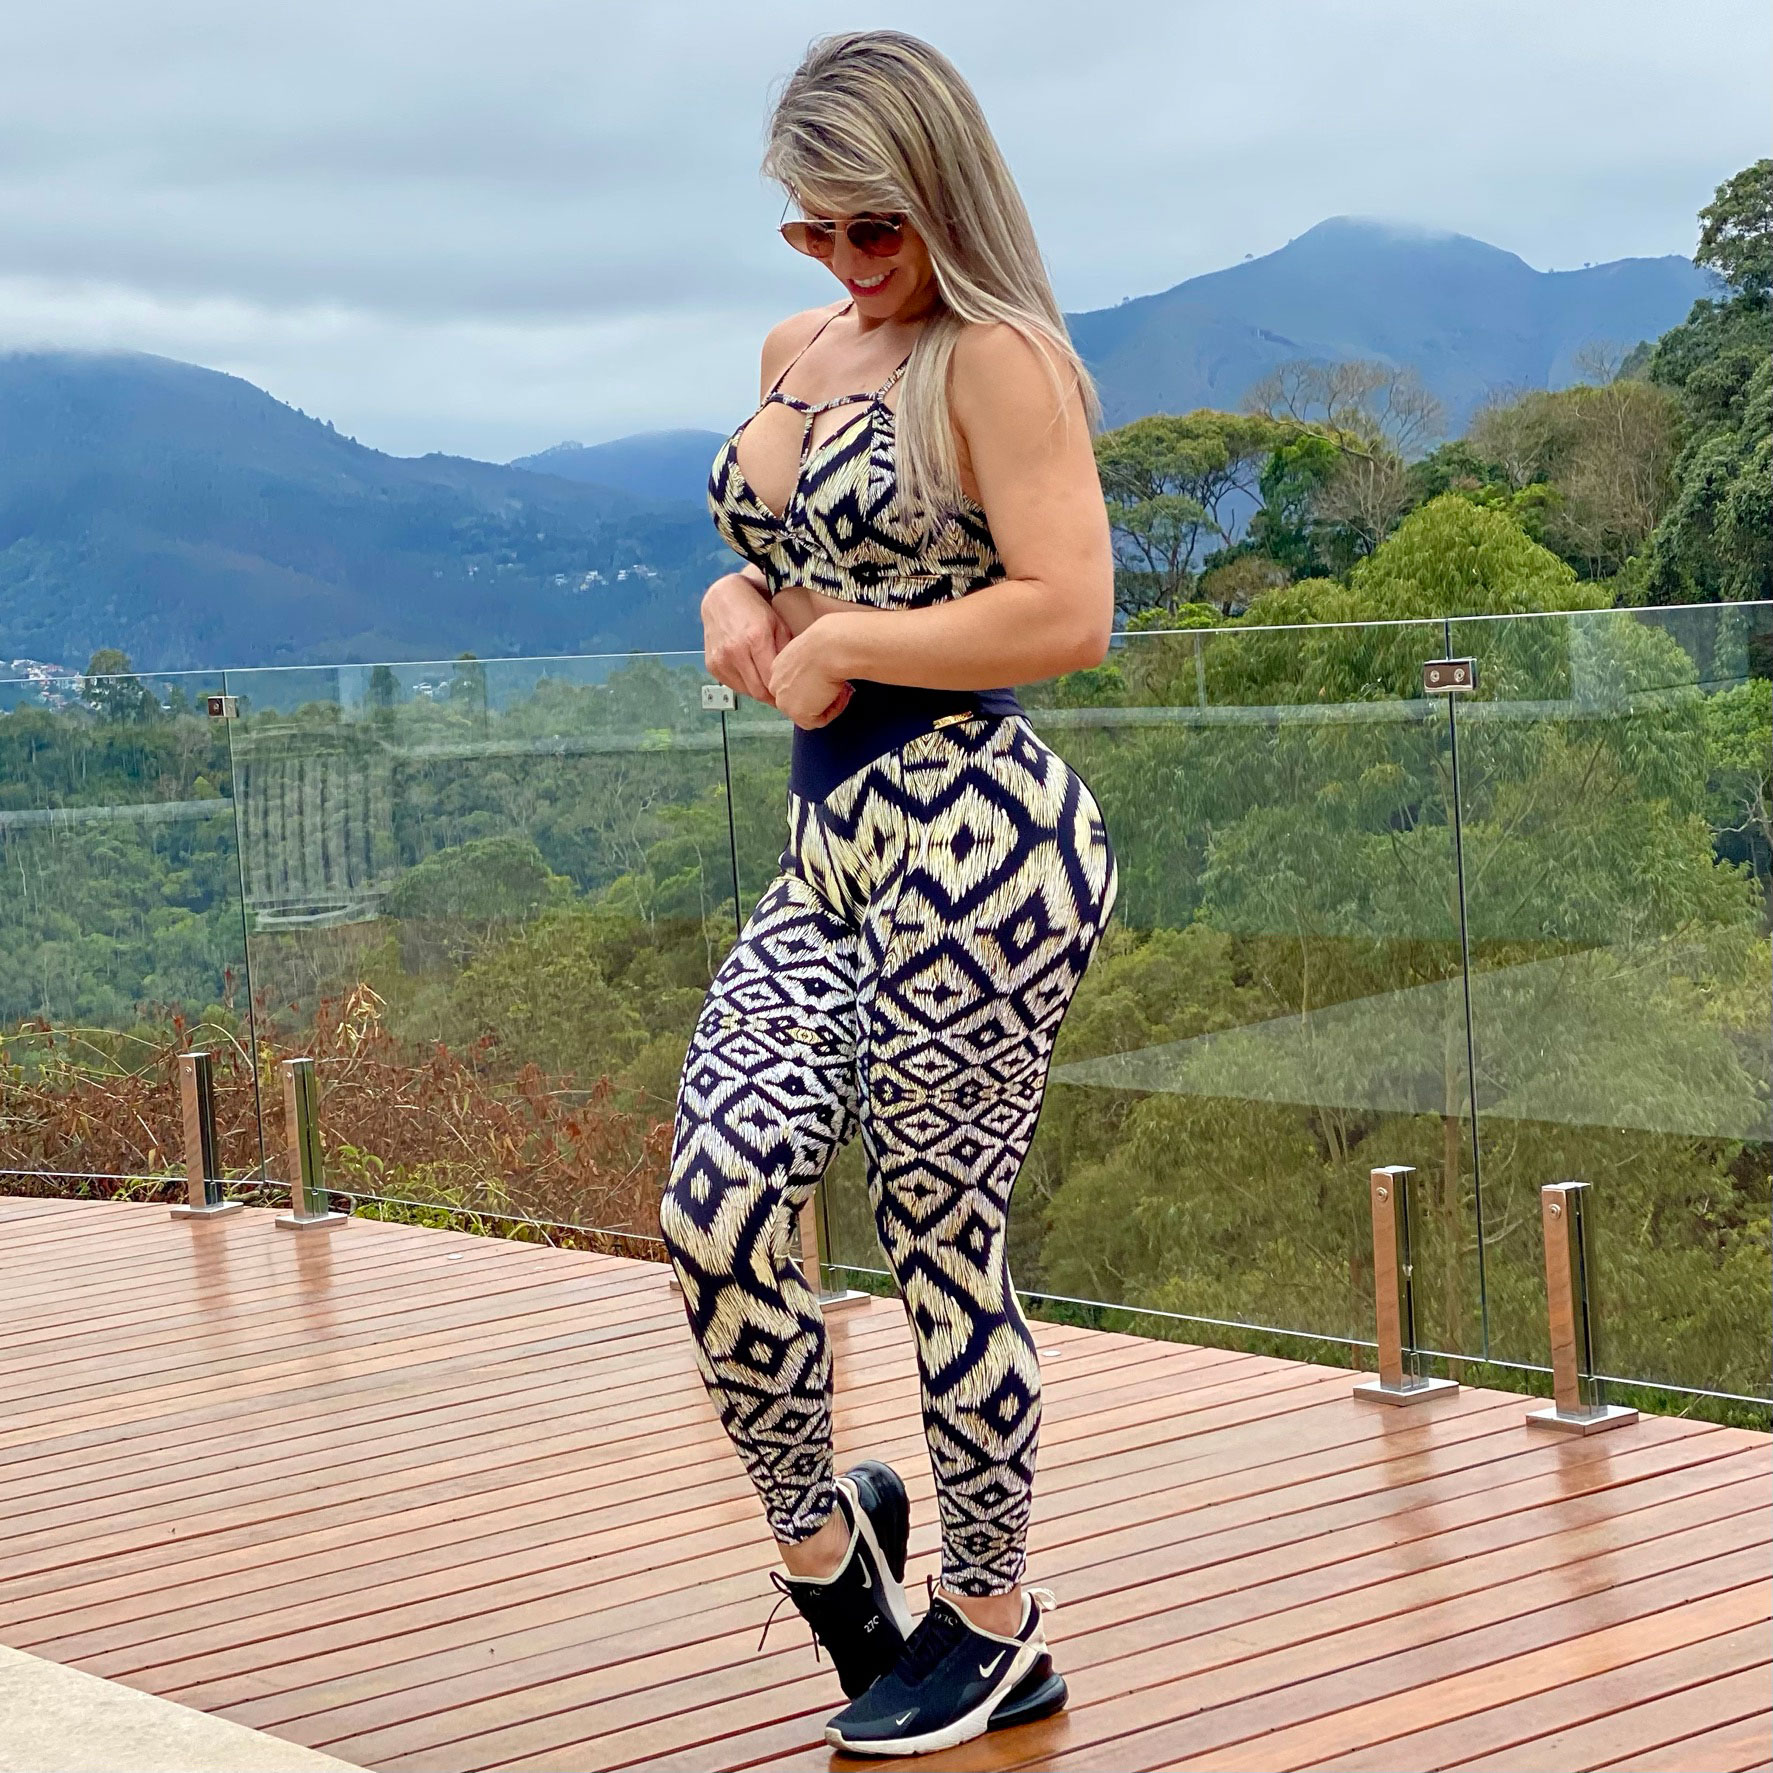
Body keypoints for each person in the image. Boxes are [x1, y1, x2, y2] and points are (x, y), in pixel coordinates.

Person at [659, 28, 1117, 1758]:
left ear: (942, 197)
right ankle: (829, 1556)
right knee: (716, 1208)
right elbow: (767, 558)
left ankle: (992, 1621)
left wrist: (848, 639)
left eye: (875, 227)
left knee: (937, 1236)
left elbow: (1067, 610)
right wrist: (732, 599)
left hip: (981, 843)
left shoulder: (997, 358)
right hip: (831, 856)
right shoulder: (799, 349)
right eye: (813, 228)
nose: (845, 259)